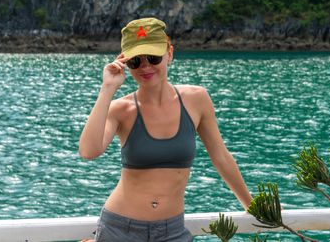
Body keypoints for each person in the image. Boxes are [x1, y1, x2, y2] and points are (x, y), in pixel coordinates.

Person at [79, 17, 253, 242]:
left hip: (173, 231)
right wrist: (107, 89)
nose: (145, 67)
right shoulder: (120, 109)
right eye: (135, 61)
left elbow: (221, 157)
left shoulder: (196, 99)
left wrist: (253, 207)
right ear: (124, 62)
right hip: (120, 230)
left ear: (169, 53)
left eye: (153, 57)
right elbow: (88, 151)